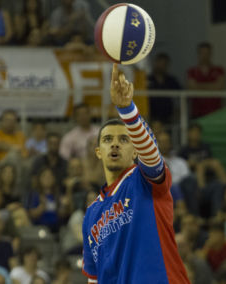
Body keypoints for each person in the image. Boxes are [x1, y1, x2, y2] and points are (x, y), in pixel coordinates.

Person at [81, 64, 190, 283]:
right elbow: (93, 278)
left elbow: (151, 154)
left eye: (124, 140)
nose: (115, 145)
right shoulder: (91, 215)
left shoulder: (144, 180)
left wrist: (127, 110)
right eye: (107, 140)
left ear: (135, 151)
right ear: (98, 152)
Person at [187, 42, 225, 118]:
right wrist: (212, 86)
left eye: (207, 53)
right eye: (202, 53)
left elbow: (219, 87)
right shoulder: (192, 71)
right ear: (198, 54)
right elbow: (192, 88)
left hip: (215, 112)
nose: (205, 56)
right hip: (197, 112)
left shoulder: (219, 70)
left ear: (211, 54)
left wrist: (198, 86)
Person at [148, 53, 181, 123]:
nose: (161, 66)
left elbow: (180, 97)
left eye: (164, 64)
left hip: (167, 117)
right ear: (156, 63)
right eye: (160, 63)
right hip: (151, 116)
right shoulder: (147, 79)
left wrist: (177, 112)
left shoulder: (172, 81)